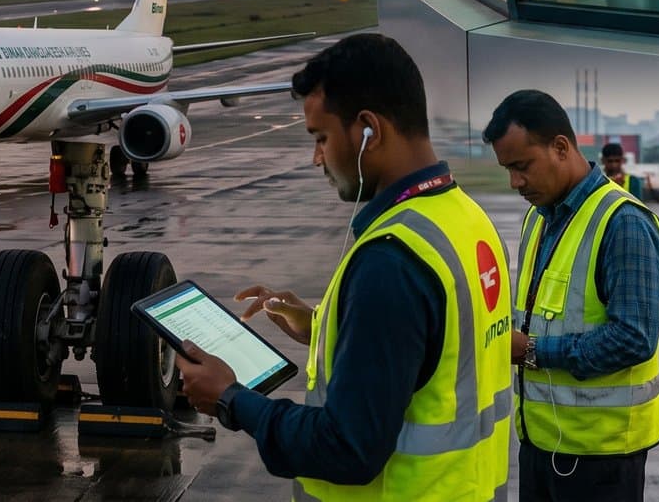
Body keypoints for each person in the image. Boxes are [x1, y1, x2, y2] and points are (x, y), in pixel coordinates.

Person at [176, 33, 513, 500]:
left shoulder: (390, 260)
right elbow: (434, 352)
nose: (316, 158)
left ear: (368, 130)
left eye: (321, 138)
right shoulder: (466, 219)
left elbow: (347, 448)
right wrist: (323, 326)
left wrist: (231, 399)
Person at [486, 91, 659, 502]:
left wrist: (530, 350)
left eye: (522, 166)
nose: (515, 182)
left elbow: (634, 338)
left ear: (561, 147)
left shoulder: (623, 223)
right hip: (540, 444)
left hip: (601, 459)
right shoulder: (537, 218)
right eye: (507, 170)